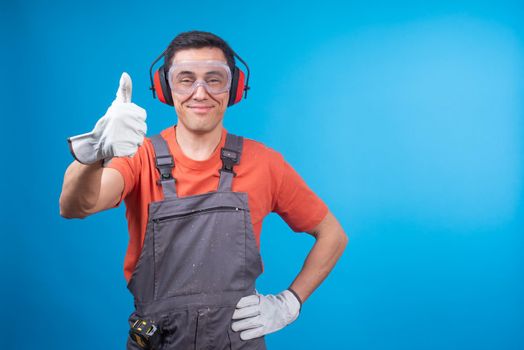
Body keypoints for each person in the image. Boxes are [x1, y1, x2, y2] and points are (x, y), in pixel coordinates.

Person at [59, 30, 348, 349]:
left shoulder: (265, 163)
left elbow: (333, 234)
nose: (200, 93)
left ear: (234, 88)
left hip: (238, 341)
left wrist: (290, 302)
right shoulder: (140, 157)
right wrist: (94, 153)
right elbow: (75, 206)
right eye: (185, 79)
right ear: (165, 88)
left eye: (214, 79)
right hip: (158, 341)